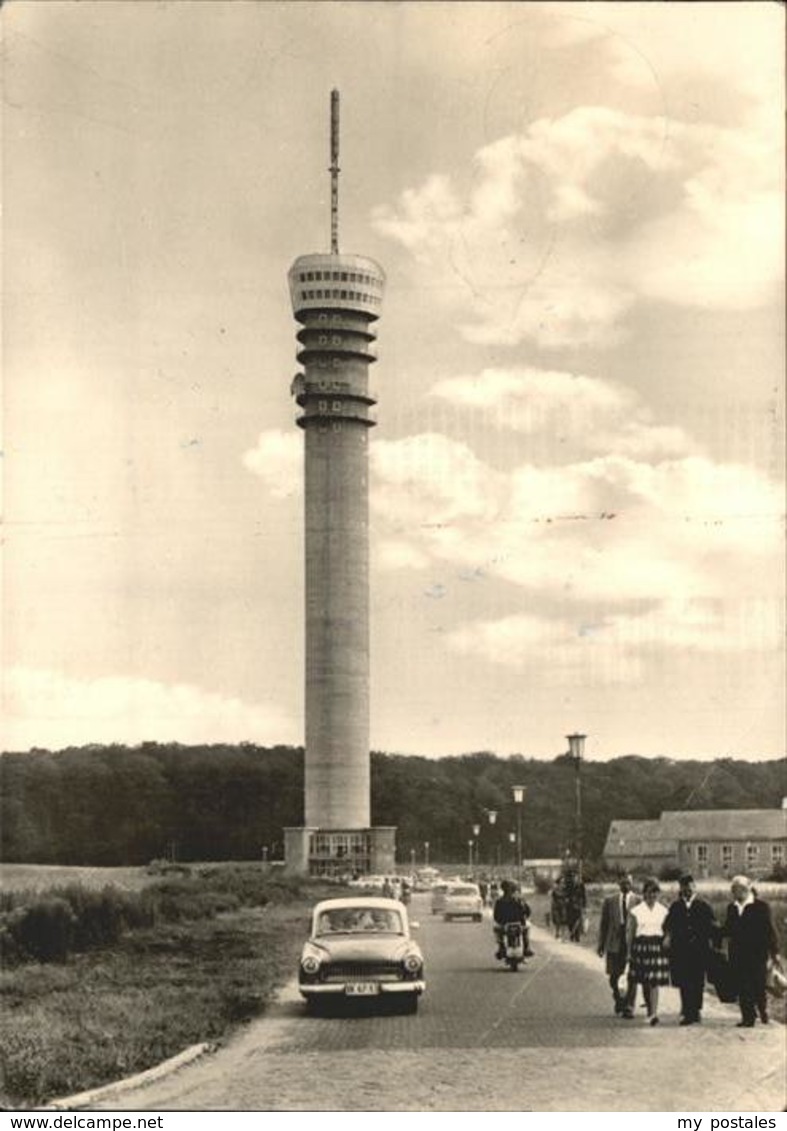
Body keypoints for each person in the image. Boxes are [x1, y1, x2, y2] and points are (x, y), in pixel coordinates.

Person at [721, 875, 782, 1027]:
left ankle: (762, 1009)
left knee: (758, 984)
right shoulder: (732, 908)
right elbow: (728, 929)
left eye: (739, 889)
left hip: (757, 953)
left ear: (747, 889)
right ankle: (748, 1017)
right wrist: (714, 932)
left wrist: (775, 952)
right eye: (734, 890)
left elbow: (770, 930)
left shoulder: (761, 906)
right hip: (738, 953)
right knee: (742, 985)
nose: (736, 892)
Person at [663, 873, 717, 1025]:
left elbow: (712, 926)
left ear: (695, 888)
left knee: (698, 980)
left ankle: (696, 1010)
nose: (687, 890)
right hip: (681, 950)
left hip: (699, 950)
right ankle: (687, 1011)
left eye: (690, 887)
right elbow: (668, 925)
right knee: (684, 980)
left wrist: (713, 942)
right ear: (680, 888)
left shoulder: (703, 906)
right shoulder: (676, 906)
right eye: (684, 887)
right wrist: (667, 937)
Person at [626, 878, 670, 1026]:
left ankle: (653, 1014)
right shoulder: (636, 911)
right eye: (649, 893)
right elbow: (630, 933)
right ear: (644, 894)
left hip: (657, 947)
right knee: (644, 981)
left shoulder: (663, 910)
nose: (652, 896)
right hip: (641, 946)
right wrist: (629, 952)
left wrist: (667, 939)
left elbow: (668, 930)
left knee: (654, 982)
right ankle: (649, 1010)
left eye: (655, 893)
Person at [597, 874, 638, 1017]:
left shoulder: (639, 901)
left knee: (631, 975)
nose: (625, 885)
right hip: (614, 942)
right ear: (618, 883)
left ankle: (629, 1006)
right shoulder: (610, 901)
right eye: (623, 883)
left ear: (632, 883)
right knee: (613, 976)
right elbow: (604, 924)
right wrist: (601, 944)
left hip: (631, 943)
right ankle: (618, 998)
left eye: (628, 883)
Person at [492, 879, 529, 959]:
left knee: (497, 932)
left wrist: (500, 921)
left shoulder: (499, 901)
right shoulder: (519, 900)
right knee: (525, 931)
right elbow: (527, 910)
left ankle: (501, 947)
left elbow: (496, 915)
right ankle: (526, 948)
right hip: (518, 923)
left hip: (505, 924)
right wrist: (524, 918)